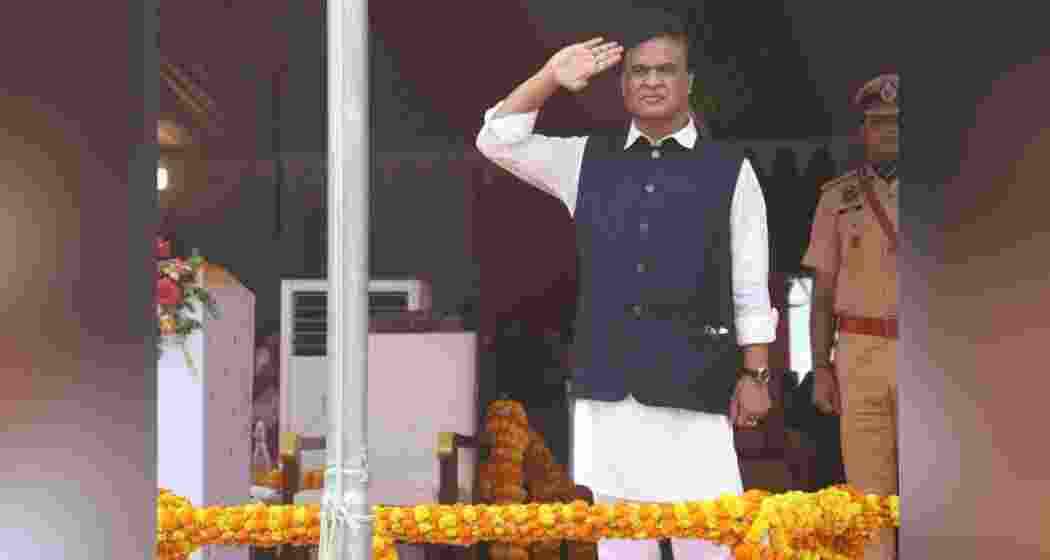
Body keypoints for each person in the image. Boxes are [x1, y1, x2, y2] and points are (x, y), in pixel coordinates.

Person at [475, 10, 778, 560]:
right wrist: (548, 77)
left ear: (690, 83)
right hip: (609, 390)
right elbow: (497, 139)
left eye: (666, 70)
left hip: (696, 387)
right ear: (623, 85)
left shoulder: (730, 168)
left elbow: (750, 283)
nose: (653, 81)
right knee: (620, 548)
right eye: (639, 71)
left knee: (708, 543)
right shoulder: (585, 159)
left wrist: (755, 371)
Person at [803, 73, 899, 559]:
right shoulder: (837, 197)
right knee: (869, 497)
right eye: (876, 124)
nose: (886, 133)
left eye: (896, 124)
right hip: (859, 353)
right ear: (862, 131)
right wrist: (820, 366)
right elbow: (821, 294)